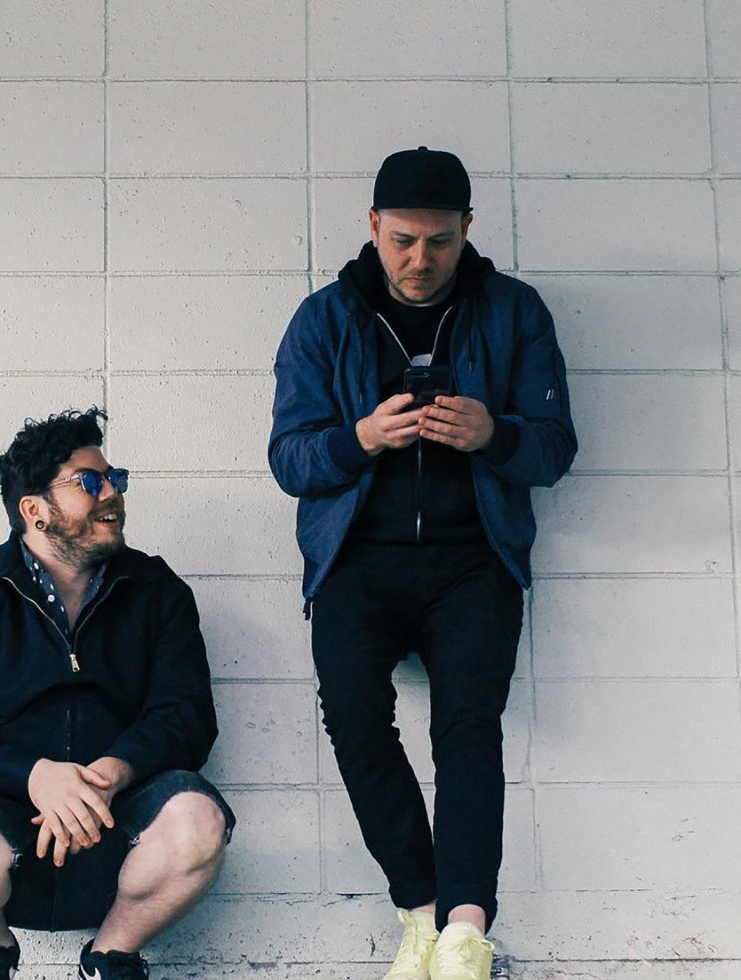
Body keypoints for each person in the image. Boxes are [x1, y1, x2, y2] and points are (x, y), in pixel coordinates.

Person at [268, 148, 576, 980]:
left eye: (439, 240)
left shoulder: (513, 311)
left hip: (474, 561)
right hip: (354, 561)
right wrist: (361, 439)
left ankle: (466, 934)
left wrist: (494, 435)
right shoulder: (324, 319)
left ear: (467, 229)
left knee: (467, 727)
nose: (419, 259)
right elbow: (290, 461)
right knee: (353, 717)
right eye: (402, 239)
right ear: (373, 226)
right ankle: (422, 911)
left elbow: (554, 449)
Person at [0, 408, 235, 980]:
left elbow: (187, 717)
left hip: (119, 827)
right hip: (4, 832)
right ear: (35, 510)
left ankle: (110, 957)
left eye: (114, 478)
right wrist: (35, 777)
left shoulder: (157, 591)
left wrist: (108, 775)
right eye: (90, 482)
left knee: (198, 821)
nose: (113, 494)